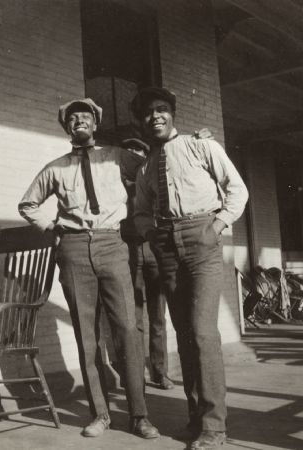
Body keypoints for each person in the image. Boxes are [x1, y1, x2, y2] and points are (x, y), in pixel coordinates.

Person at [18, 98, 159, 439]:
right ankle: (100, 414)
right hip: (74, 248)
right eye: (72, 118)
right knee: (87, 334)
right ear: (67, 127)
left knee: (127, 328)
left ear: (95, 124)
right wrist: (51, 228)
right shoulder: (55, 168)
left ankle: (139, 415)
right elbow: (28, 204)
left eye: (86, 116)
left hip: (113, 245)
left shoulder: (118, 156)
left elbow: (153, 170)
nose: (79, 121)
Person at [132, 87, 249, 450]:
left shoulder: (202, 146)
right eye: (149, 112)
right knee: (183, 336)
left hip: (202, 239)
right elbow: (139, 211)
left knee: (202, 333)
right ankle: (196, 417)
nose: (156, 117)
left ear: (172, 114)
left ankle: (215, 427)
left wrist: (216, 226)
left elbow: (237, 190)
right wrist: (152, 234)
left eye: (162, 109)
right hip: (166, 244)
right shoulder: (147, 165)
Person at [120, 137, 174, 391]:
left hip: (152, 249)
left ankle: (160, 372)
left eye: (138, 152)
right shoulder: (115, 184)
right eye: (128, 152)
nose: (133, 155)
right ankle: (135, 374)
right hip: (128, 250)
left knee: (157, 317)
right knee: (133, 318)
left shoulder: (151, 180)